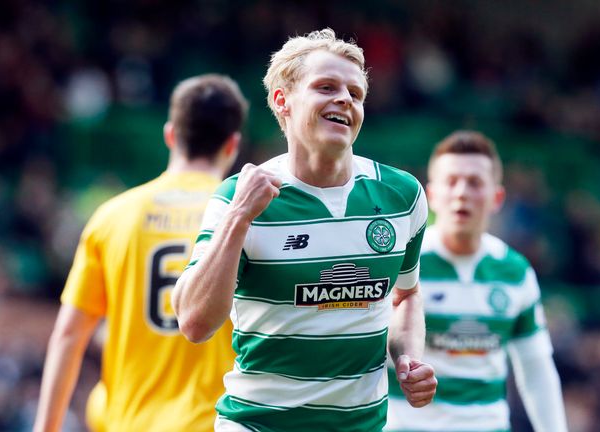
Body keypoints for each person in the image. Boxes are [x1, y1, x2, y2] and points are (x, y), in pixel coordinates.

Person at [173, 28, 437, 432]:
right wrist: (240, 217)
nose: (345, 99)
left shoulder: (402, 196)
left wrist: (408, 356)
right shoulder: (239, 197)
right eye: (326, 87)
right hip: (258, 424)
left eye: (355, 93)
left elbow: (406, 295)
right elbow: (194, 322)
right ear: (283, 102)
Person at [33, 74, 248, 432]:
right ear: (232, 145)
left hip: (130, 422)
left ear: (170, 134)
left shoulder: (113, 217)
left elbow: (70, 334)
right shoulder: (241, 218)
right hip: (217, 423)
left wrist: (46, 427)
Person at [386, 131, 568, 432]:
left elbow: (536, 370)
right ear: (431, 196)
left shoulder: (516, 271)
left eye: (474, 183)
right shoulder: (402, 263)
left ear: (497, 197)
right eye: (451, 181)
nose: (461, 193)